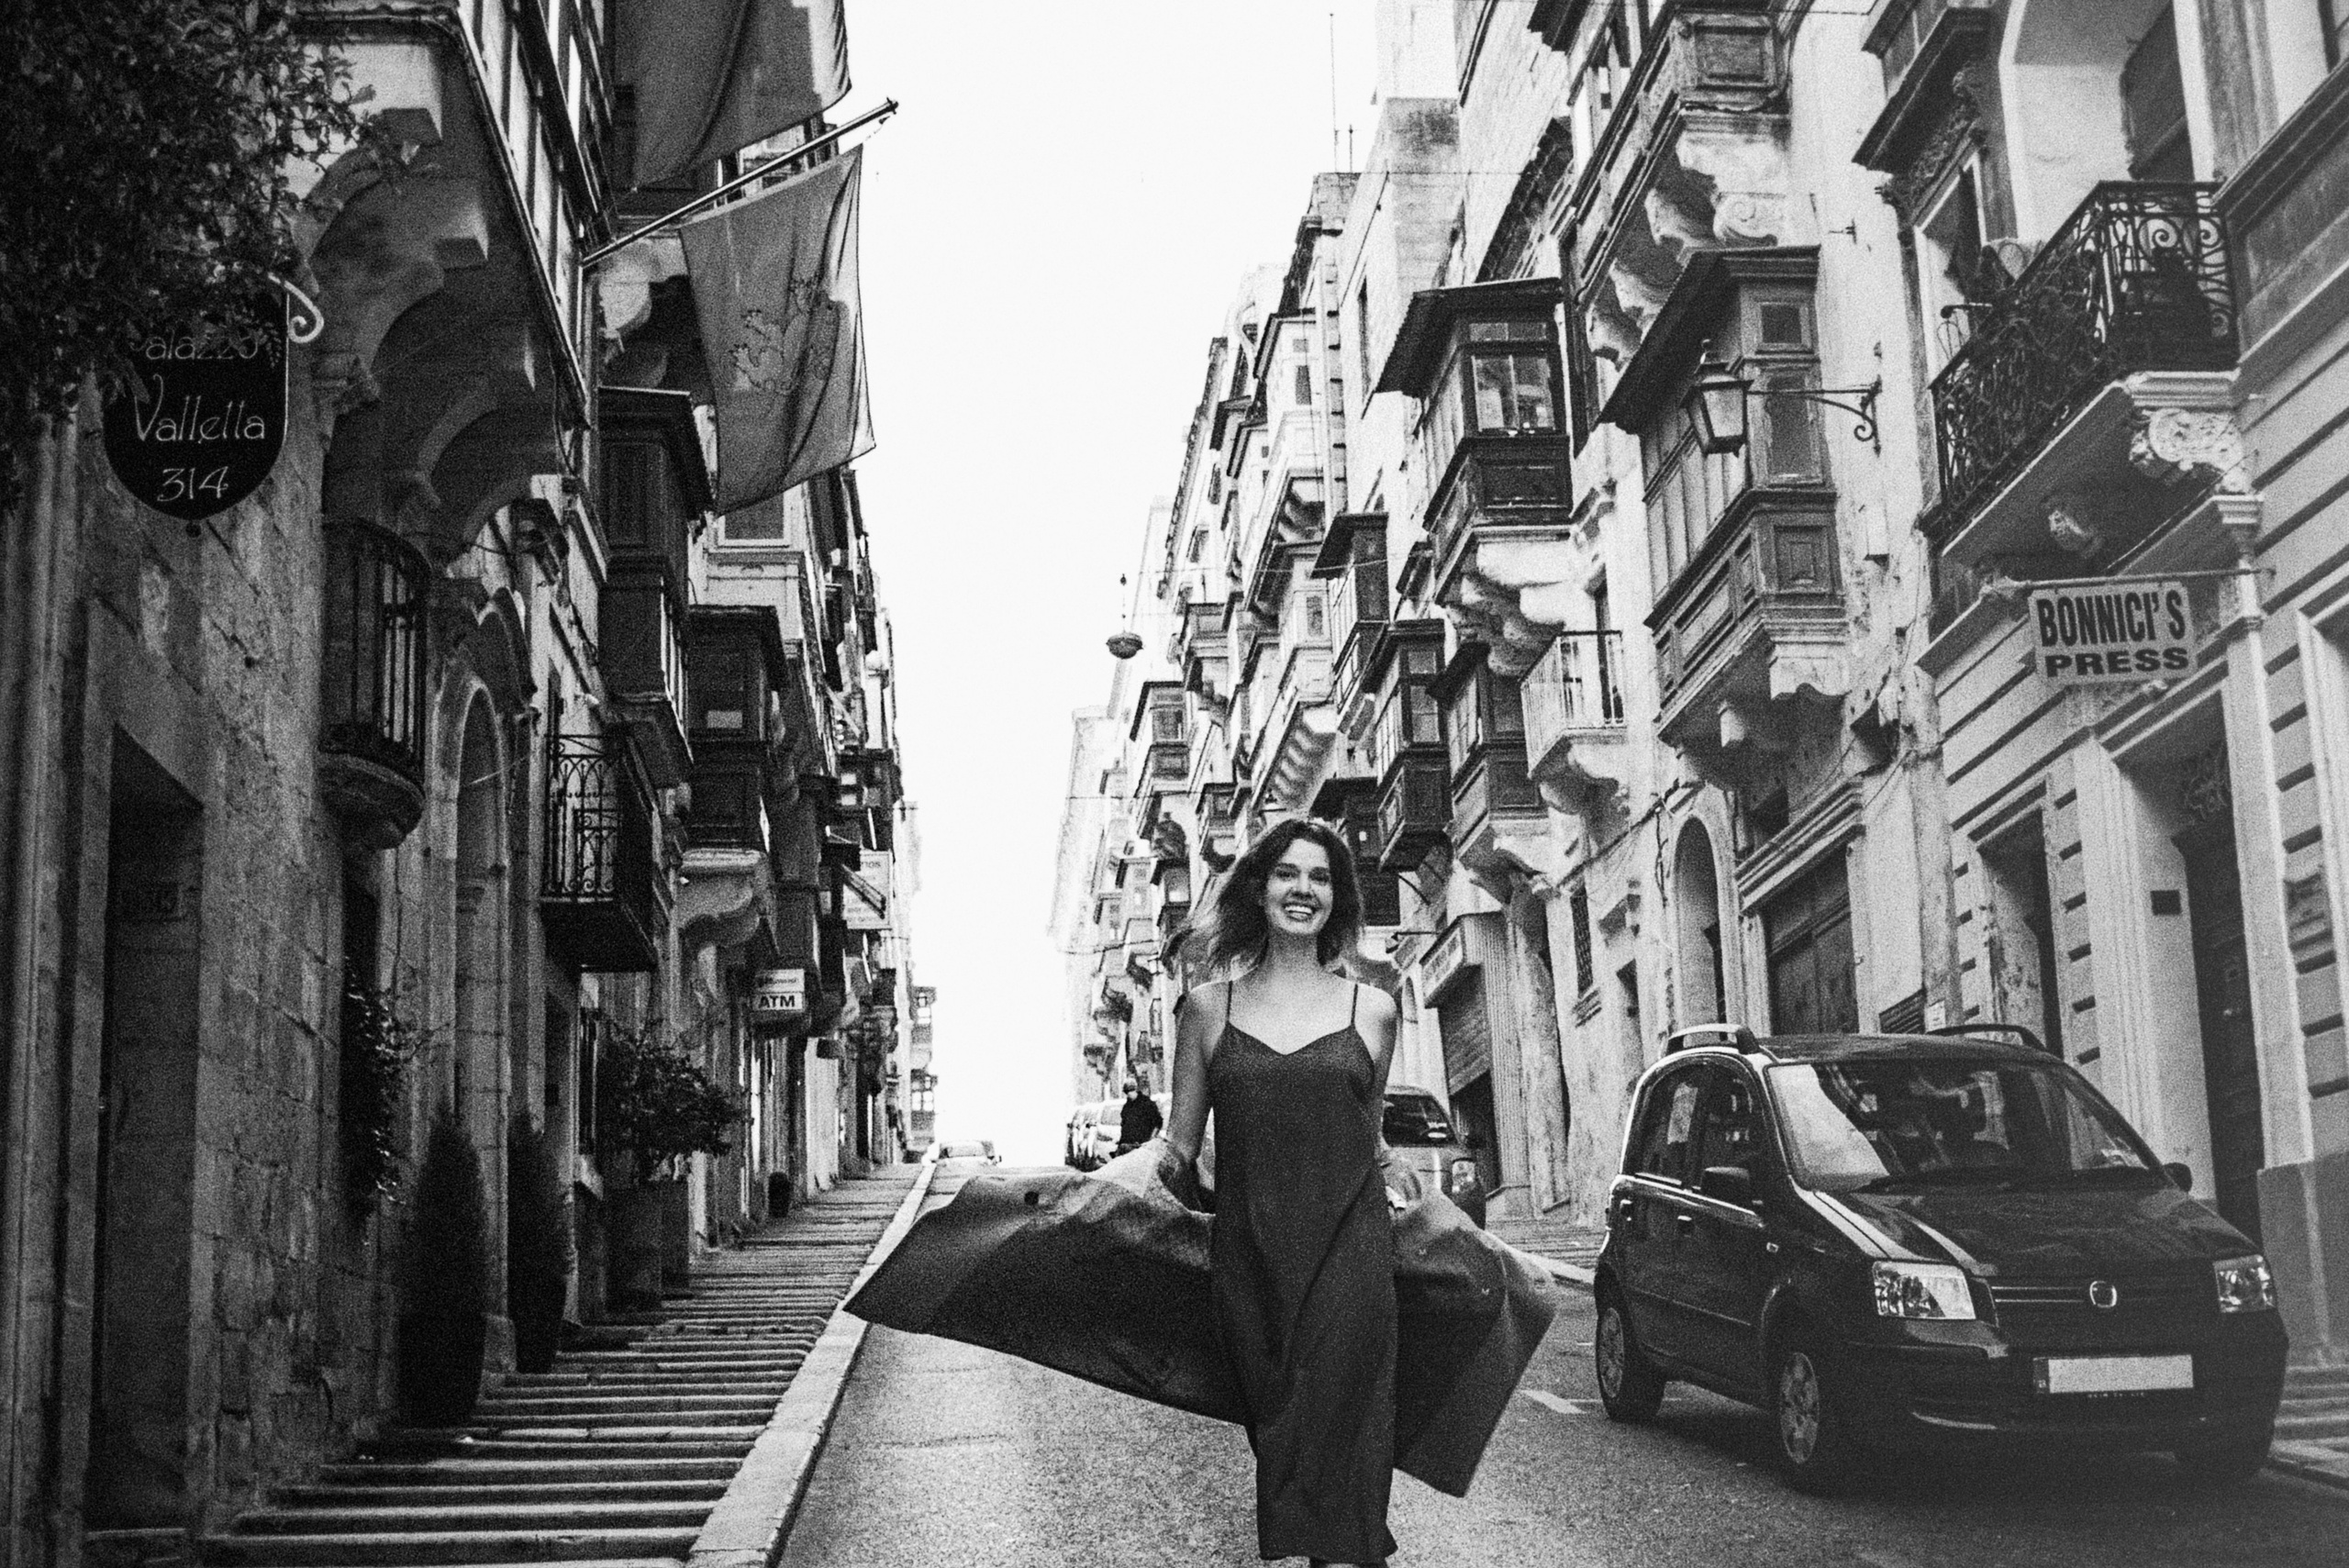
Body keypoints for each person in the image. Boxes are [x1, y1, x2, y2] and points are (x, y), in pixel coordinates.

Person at [1163, 817, 1401, 1568]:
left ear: (1339, 897)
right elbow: (1179, 1146)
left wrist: (1406, 1178)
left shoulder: (1375, 1009)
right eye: (1289, 874)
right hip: (1252, 1264)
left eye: (1322, 877)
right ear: (1260, 888)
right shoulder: (1208, 1008)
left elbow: (1368, 1133)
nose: (1305, 890)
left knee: (1344, 1459)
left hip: (1351, 1257)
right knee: (1290, 1450)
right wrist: (1096, 1193)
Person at [1115, 1080, 1163, 1155]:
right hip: (1128, 1144)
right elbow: (1124, 1127)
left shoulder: (1147, 1103)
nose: (1129, 1094)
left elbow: (1158, 1122)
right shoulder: (1126, 1107)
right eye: (1127, 1092)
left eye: (1131, 1090)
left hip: (1143, 1144)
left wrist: (1151, 1138)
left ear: (1136, 1090)